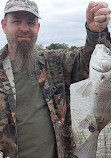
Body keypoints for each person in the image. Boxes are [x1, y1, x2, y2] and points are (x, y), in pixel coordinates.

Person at [0, 0, 111, 158]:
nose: (24, 28)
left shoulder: (55, 61)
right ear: (4, 25)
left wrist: (95, 31)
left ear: (37, 28)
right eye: (17, 21)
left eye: (30, 22)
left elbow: (87, 61)